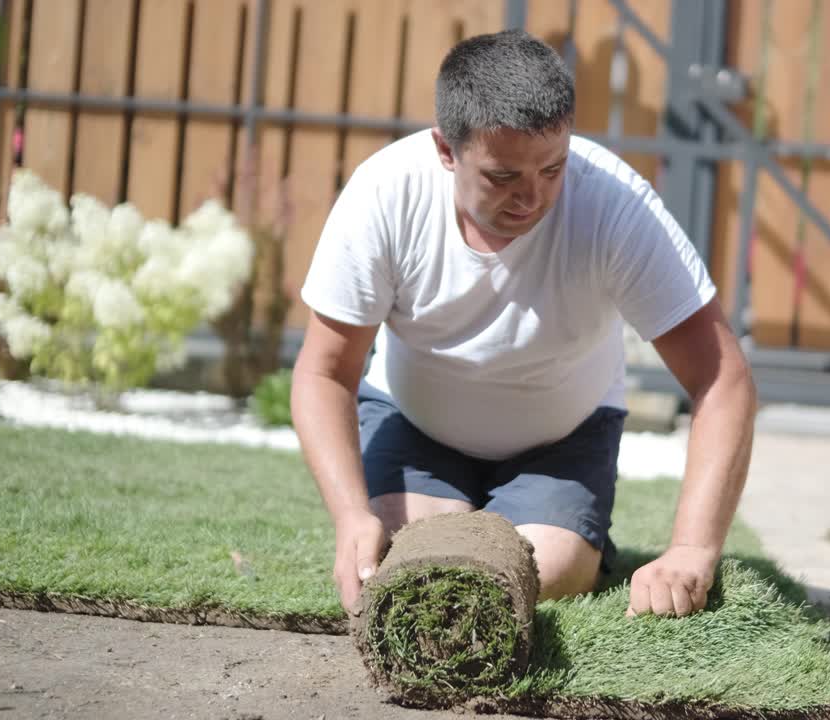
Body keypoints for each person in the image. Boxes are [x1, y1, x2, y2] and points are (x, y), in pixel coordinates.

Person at [290, 28, 756, 619]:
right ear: (445, 150)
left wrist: (692, 549)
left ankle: (567, 528)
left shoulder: (616, 207)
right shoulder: (384, 194)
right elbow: (325, 371)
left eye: (553, 168)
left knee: (543, 569)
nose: (532, 198)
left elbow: (723, 377)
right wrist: (351, 513)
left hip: (564, 438)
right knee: (412, 567)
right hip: (415, 426)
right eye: (503, 177)